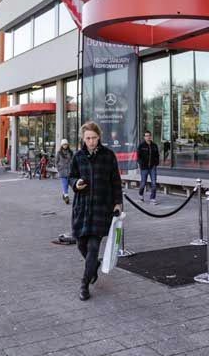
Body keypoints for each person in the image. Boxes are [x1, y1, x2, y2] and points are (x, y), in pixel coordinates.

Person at [69, 121, 122, 301]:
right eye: (88, 138)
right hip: (82, 208)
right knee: (80, 244)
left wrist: (118, 203)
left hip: (101, 207)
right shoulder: (78, 156)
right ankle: (94, 266)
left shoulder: (108, 155)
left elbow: (115, 181)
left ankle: (84, 284)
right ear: (83, 139)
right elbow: (71, 176)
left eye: (94, 138)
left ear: (99, 137)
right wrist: (75, 183)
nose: (91, 141)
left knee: (93, 247)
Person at [137, 130, 160, 205]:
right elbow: (138, 156)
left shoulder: (154, 145)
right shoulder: (141, 146)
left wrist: (156, 163)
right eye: (146, 136)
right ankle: (140, 195)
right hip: (144, 168)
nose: (148, 137)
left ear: (151, 136)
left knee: (154, 183)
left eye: (149, 135)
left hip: (152, 167)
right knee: (143, 183)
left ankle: (152, 198)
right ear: (144, 137)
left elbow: (157, 155)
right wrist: (141, 164)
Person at [55, 138, 74, 204]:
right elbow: (56, 162)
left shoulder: (71, 152)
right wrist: (59, 169)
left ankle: (64, 194)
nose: (65, 146)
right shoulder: (59, 153)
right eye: (63, 144)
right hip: (62, 171)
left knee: (67, 184)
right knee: (65, 184)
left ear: (67, 145)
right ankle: (66, 196)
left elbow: (73, 161)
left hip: (69, 171)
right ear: (62, 145)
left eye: (66, 144)